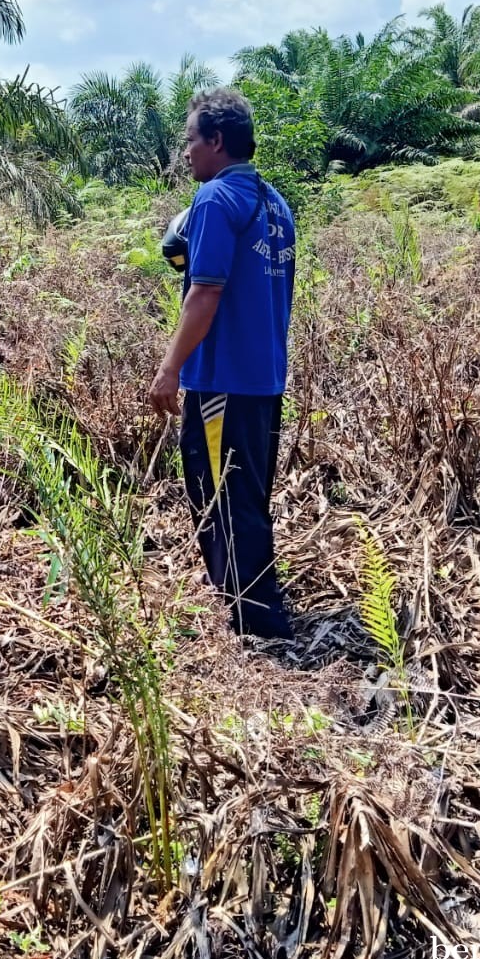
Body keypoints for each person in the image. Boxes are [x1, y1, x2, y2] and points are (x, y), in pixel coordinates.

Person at [147, 88, 296, 642]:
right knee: (247, 494)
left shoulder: (214, 199)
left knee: (218, 494)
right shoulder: (275, 202)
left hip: (222, 380)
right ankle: (252, 606)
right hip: (263, 378)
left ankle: (256, 621)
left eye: (190, 140)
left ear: (215, 140)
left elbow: (204, 293)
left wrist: (169, 370)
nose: (185, 152)